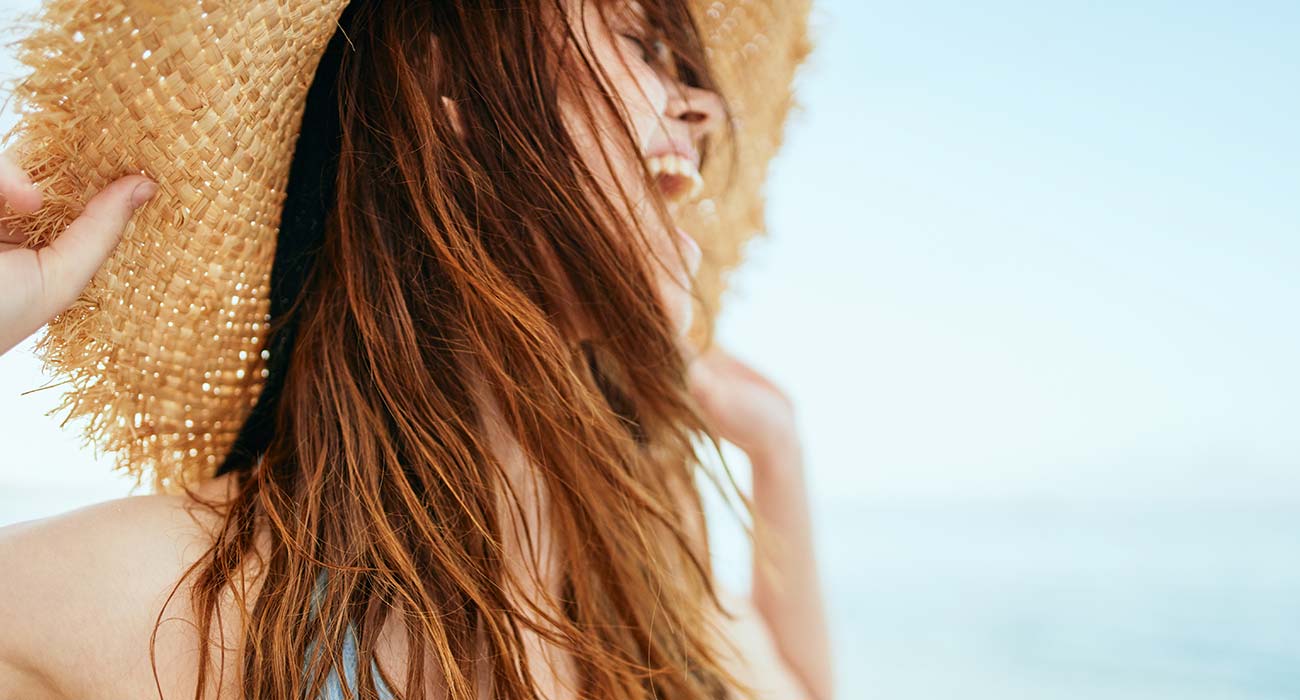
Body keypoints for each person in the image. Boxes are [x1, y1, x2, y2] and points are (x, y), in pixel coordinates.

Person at [0, 0, 832, 698]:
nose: (704, 106)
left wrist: (777, 449)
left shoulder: (640, 584)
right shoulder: (187, 605)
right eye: (644, 44)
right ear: (445, 84)